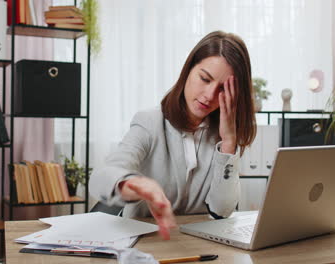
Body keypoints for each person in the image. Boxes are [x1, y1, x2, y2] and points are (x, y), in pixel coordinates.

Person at [89, 31, 257, 240]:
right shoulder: (150, 122)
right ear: (188, 71)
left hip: (197, 247)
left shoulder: (223, 136)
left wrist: (229, 144)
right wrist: (132, 184)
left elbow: (222, 211)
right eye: (205, 79)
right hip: (148, 244)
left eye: (223, 88)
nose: (210, 95)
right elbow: (100, 177)